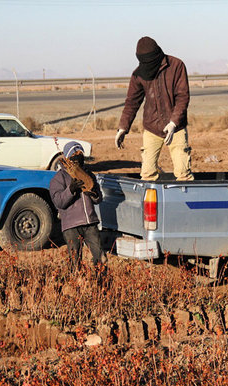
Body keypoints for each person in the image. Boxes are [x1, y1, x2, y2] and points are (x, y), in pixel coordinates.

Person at [115, 36, 194, 181]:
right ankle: (150, 203)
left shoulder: (176, 66)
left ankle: (184, 202)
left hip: (176, 129)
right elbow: (132, 102)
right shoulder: (139, 73)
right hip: (152, 128)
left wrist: (173, 123)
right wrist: (123, 128)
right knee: (147, 174)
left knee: (183, 174)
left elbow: (183, 97)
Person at [49, 141, 106, 281]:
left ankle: (102, 285)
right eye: (74, 155)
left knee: (101, 257)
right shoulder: (59, 178)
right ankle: (76, 287)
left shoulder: (88, 175)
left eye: (80, 155)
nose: (77, 158)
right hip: (71, 226)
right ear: (67, 158)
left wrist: (93, 193)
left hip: (90, 223)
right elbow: (59, 202)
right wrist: (71, 190)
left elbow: (98, 199)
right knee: (75, 260)